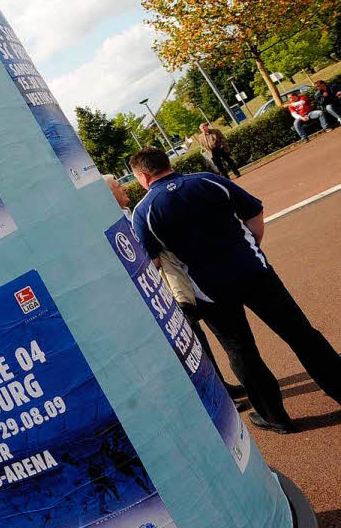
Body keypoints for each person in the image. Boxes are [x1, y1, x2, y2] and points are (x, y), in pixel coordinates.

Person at [130, 147, 341, 433]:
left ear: (143, 176)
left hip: (209, 290)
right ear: (166, 163)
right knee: (300, 333)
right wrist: (252, 246)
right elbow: (254, 213)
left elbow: (153, 260)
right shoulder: (207, 180)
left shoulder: (144, 212)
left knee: (241, 350)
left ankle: (275, 417)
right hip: (254, 270)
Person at [103, 175, 246, 402]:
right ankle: (214, 396)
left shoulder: (128, 213)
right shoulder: (115, 224)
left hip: (176, 285)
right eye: (118, 186)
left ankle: (221, 387)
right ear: (108, 195)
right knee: (188, 344)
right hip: (161, 292)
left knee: (198, 339)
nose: (123, 188)